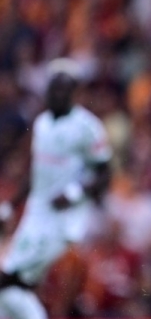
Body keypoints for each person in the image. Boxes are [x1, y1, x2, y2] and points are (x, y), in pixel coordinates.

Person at [0, 58, 112, 319]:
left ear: (75, 93)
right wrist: (10, 205)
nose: (56, 94)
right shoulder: (42, 124)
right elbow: (36, 172)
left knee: (11, 280)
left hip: (62, 220)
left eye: (63, 89)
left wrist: (75, 193)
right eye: (53, 88)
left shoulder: (87, 127)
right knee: (11, 288)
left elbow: (105, 174)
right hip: (35, 214)